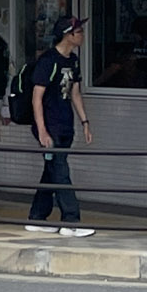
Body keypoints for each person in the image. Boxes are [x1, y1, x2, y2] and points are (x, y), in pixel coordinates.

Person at [25, 16, 95, 238]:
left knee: (52, 170)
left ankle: (37, 216)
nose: (82, 35)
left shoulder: (72, 61)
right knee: (61, 170)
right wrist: (42, 130)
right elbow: (37, 98)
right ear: (68, 34)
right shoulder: (48, 61)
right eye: (79, 31)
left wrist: (85, 122)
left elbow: (75, 92)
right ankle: (71, 220)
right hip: (49, 125)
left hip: (65, 124)